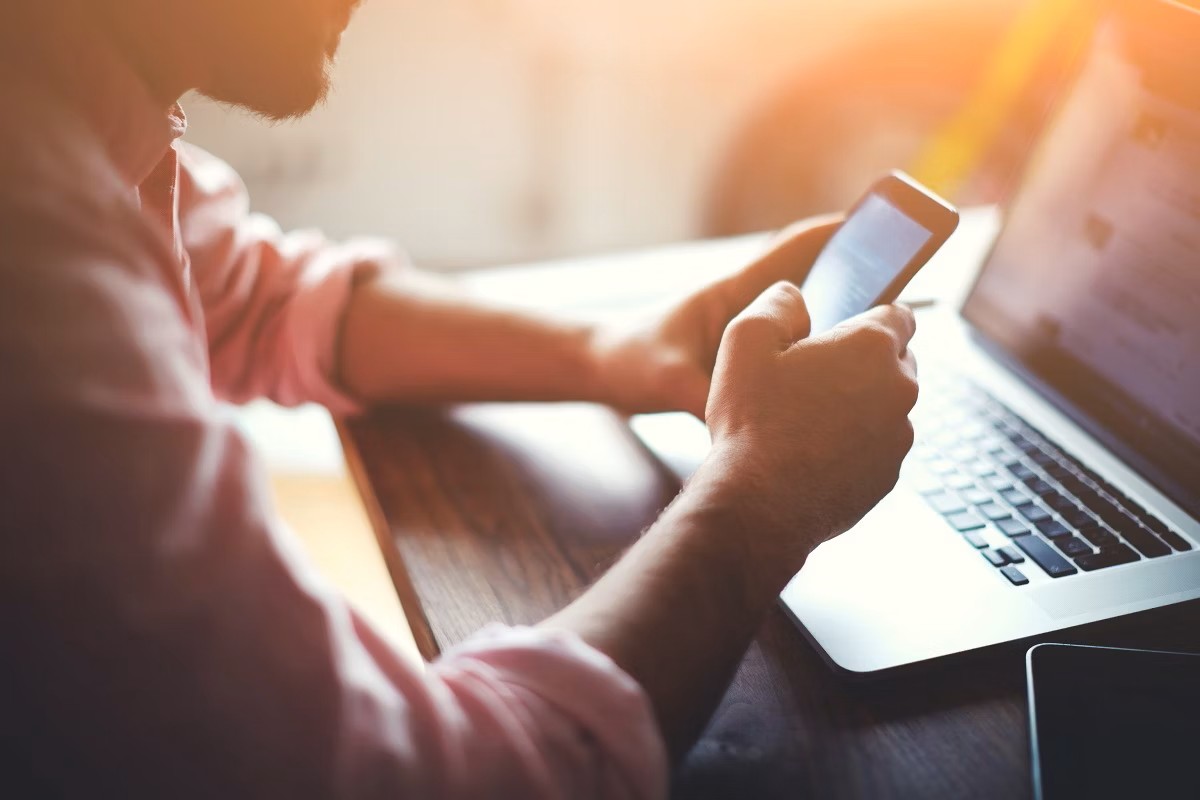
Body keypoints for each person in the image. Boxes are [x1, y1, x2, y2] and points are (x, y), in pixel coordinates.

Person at [0, 1, 918, 797]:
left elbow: (249, 294)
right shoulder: (32, 243)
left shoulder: (66, 100)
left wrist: (619, 351)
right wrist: (762, 498)